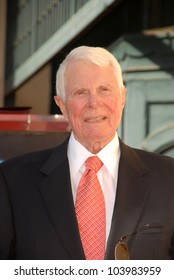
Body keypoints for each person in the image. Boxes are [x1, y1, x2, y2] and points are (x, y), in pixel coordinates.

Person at [0, 46, 174, 260]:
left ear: (122, 97)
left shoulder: (168, 177)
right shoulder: (12, 180)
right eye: (80, 92)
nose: (94, 103)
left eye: (104, 89)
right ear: (61, 105)